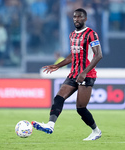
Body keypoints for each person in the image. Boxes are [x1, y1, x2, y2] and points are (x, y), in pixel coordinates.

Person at [32, 8, 103, 141]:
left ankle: (96, 131)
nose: (77, 19)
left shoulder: (91, 34)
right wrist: (57, 66)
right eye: (75, 17)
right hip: (73, 74)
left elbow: (99, 55)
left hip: (87, 75)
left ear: (85, 19)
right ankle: (50, 125)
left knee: (81, 108)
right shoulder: (72, 35)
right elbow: (73, 55)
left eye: (80, 17)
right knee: (58, 98)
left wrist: (84, 72)